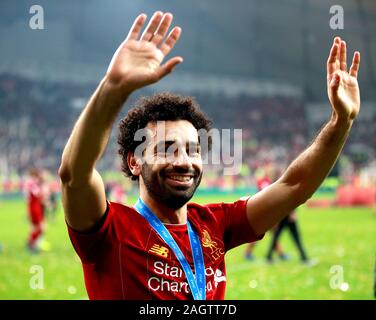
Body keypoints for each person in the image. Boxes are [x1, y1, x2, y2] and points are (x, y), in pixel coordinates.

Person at [59, 12, 361, 300]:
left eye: (193, 150)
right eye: (167, 149)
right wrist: (114, 89)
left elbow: (295, 186)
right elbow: (75, 174)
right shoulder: (109, 231)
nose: (184, 161)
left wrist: (340, 123)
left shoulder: (215, 225)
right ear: (134, 161)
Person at [24, 168, 46, 253]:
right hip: (35, 207)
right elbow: (37, 194)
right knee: (41, 227)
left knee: (35, 227)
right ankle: (30, 243)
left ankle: (32, 243)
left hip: (33, 206)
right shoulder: (32, 183)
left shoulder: (30, 183)